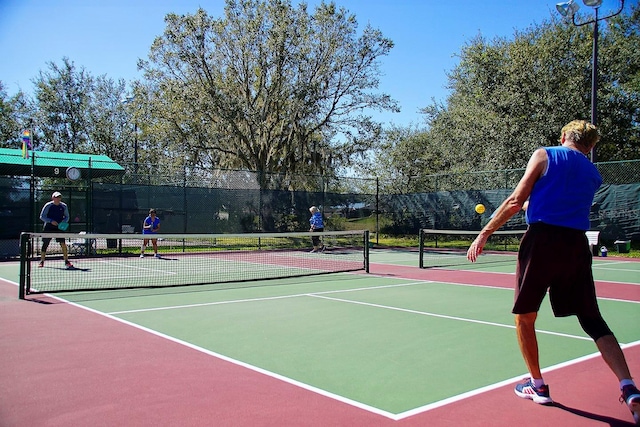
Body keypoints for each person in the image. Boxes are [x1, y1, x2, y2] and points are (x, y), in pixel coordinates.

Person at [466, 120, 639, 423]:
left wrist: (484, 233)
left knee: (525, 317)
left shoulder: (544, 155)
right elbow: (546, 202)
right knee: (593, 320)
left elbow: (516, 199)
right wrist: (528, 207)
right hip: (576, 245)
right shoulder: (592, 174)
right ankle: (630, 388)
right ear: (591, 146)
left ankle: (538, 386)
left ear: (563, 136)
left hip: (542, 243)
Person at [38, 191, 73, 268]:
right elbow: (42, 216)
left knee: (63, 244)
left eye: (59, 197)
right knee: (45, 244)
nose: (58, 199)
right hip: (49, 226)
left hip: (59, 227)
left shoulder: (64, 206)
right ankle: (42, 261)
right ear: (53, 198)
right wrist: (51, 221)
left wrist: (62, 222)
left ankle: (66, 261)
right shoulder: (48, 205)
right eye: (56, 197)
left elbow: (67, 217)